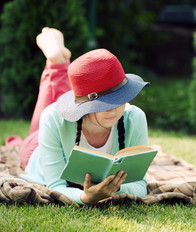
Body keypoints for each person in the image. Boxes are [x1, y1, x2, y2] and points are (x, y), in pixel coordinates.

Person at [15, 27, 150, 205]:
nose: (113, 110)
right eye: (103, 105)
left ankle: (59, 61)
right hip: (35, 149)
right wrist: (85, 198)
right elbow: (55, 184)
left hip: (74, 114)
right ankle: (55, 62)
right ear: (86, 106)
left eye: (119, 99)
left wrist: (113, 188)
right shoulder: (52, 119)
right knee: (35, 127)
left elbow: (141, 184)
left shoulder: (135, 118)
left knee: (76, 89)